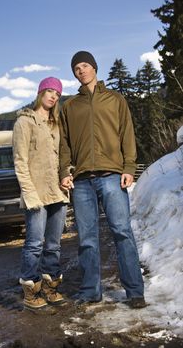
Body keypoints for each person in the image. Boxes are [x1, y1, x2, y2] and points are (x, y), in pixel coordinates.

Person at [59, 51, 146, 309]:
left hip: (112, 176)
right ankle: (90, 291)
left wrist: (128, 167)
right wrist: (65, 171)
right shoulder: (70, 107)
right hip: (82, 181)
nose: (81, 70)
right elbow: (64, 144)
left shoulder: (115, 99)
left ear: (95, 67)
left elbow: (127, 134)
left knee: (122, 232)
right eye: (76, 68)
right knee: (86, 238)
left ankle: (134, 292)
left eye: (85, 65)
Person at [13, 77, 69, 310]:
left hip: (57, 192)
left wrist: (67, 174)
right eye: (49, 91)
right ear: (40, 93)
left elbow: (61, 157)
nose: (53, 96)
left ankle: (50, 286)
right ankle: (30, 290)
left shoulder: (56, 124)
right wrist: (29, 194)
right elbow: (20, 161)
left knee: (54, 245)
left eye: (56, 93)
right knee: (35, 243)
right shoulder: (24, 122)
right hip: (36, 195)